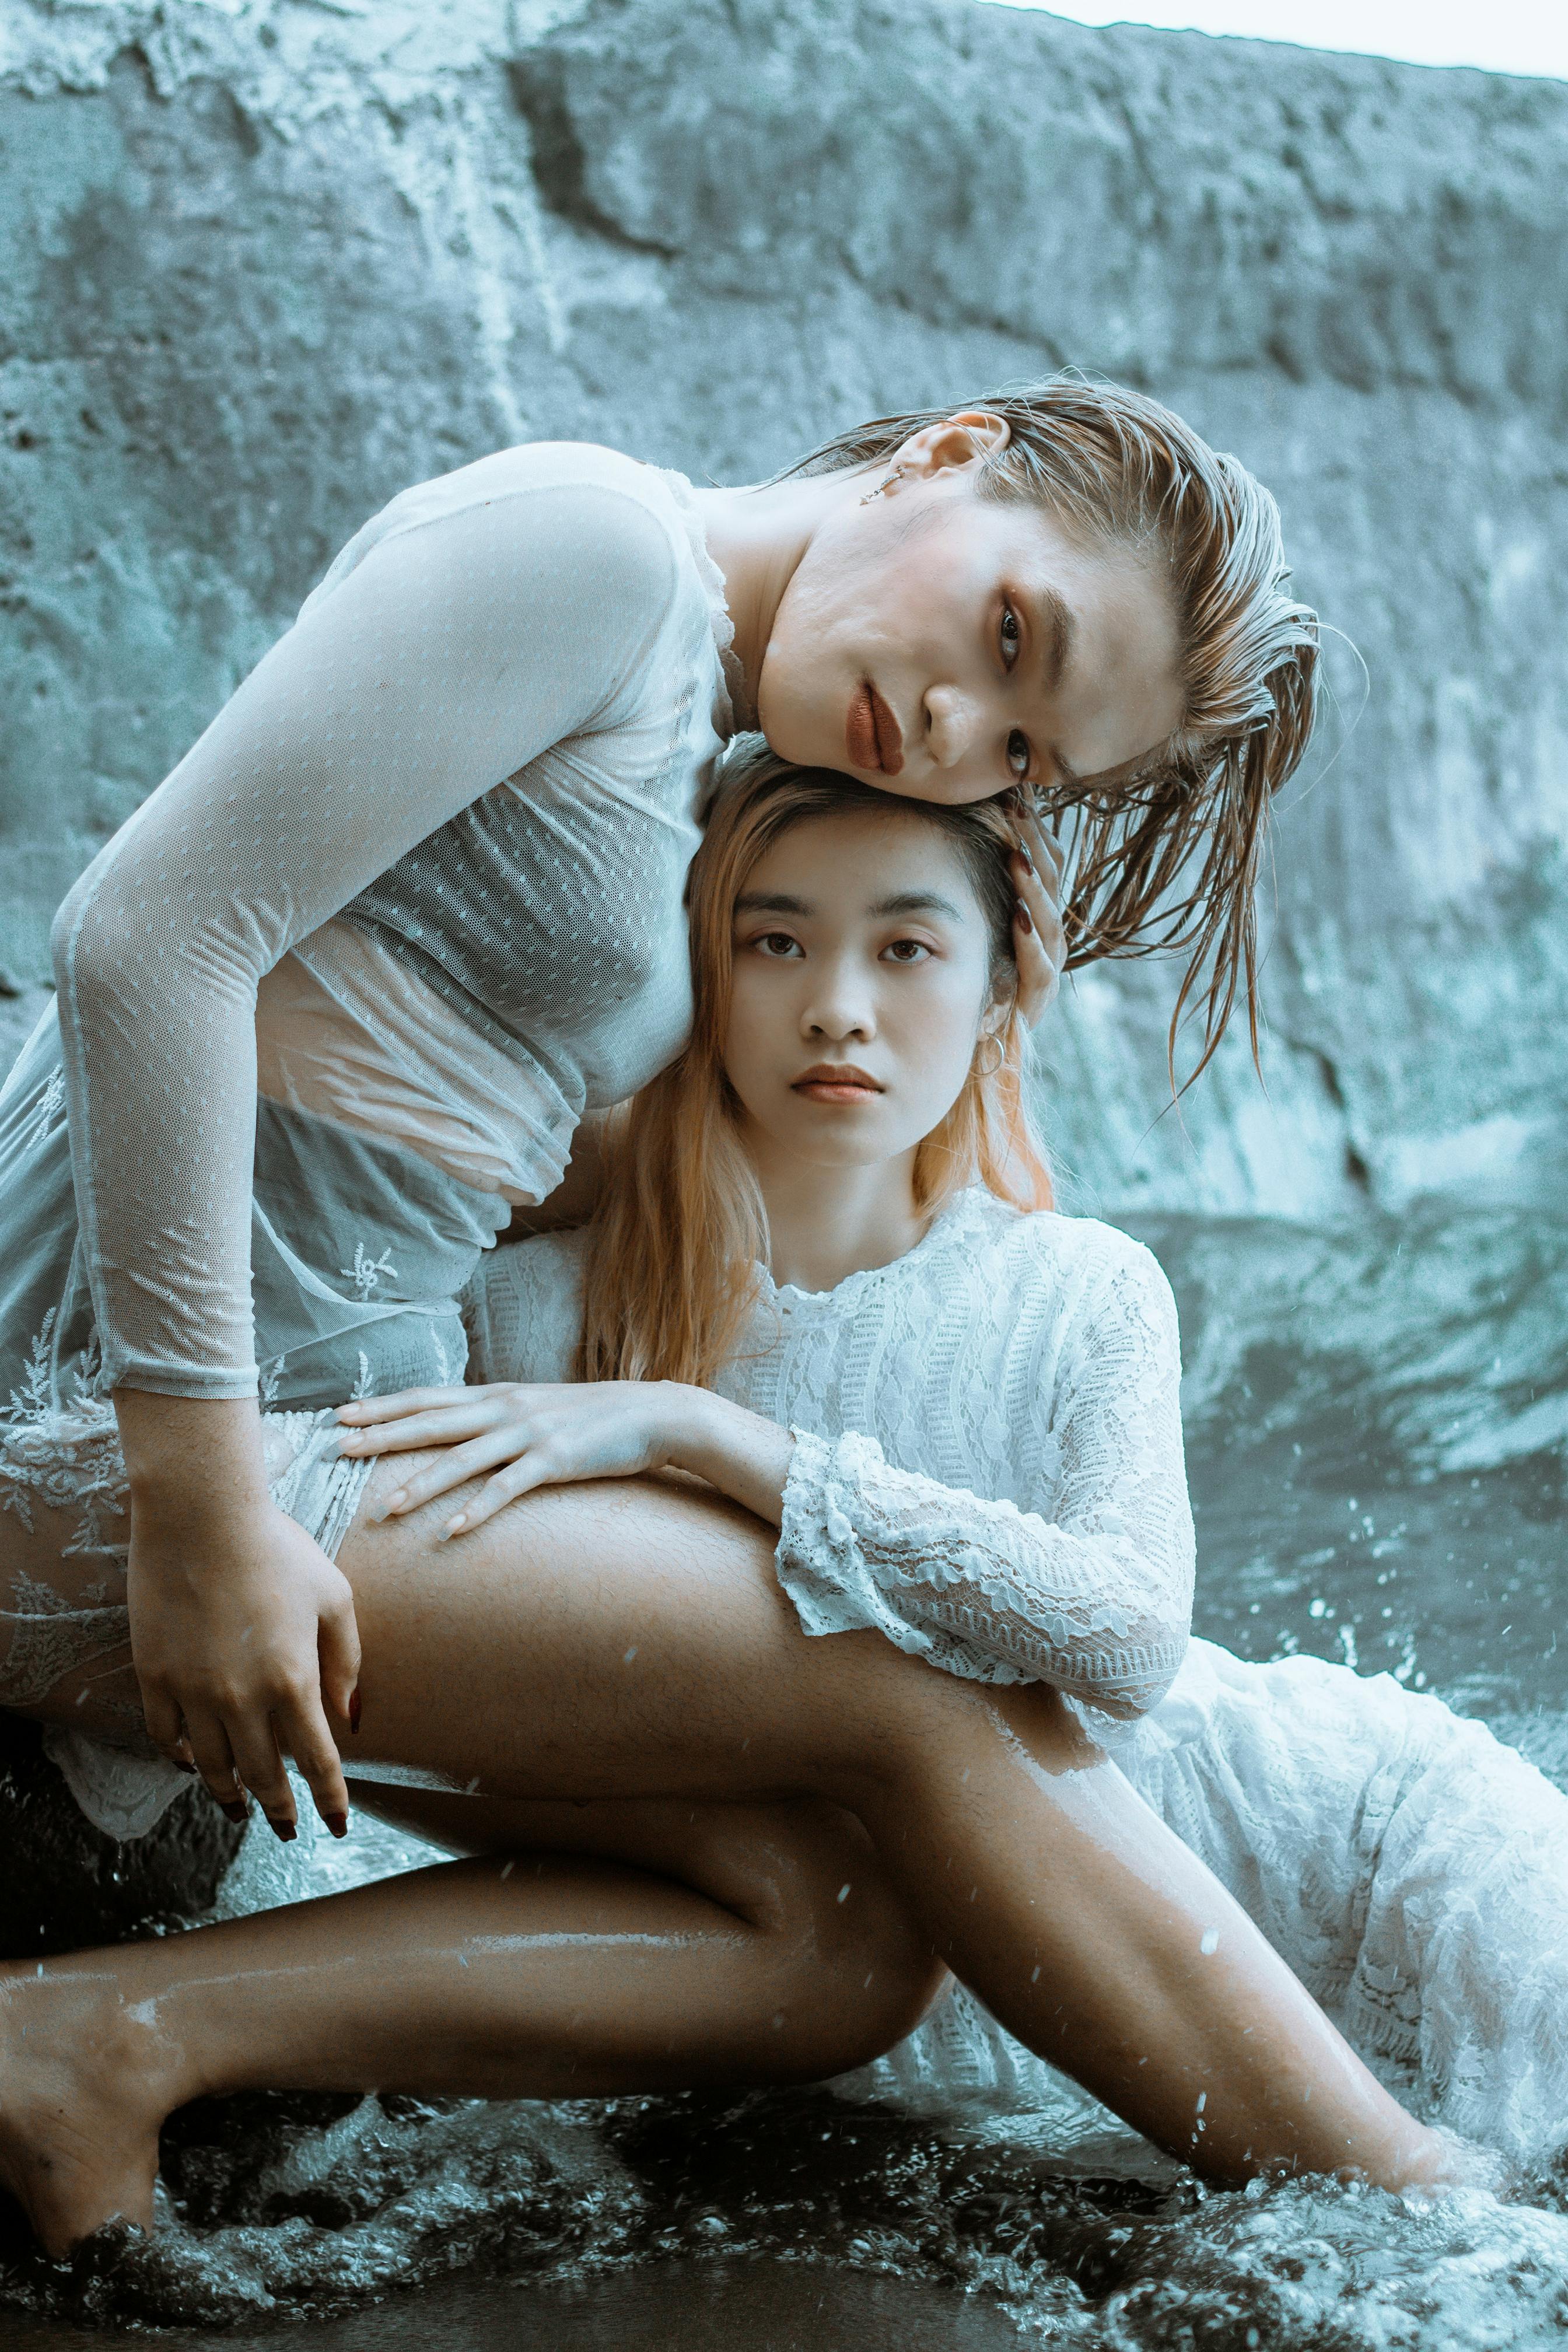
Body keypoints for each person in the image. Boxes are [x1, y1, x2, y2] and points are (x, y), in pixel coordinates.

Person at [0, 752, 1478, 2259]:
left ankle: (1429, 2213)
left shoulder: (1087, 1290)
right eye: (776, 942)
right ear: (702, 972)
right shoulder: (536, 1302)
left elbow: (1128, 1634)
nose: (839, 1003)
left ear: (1006, 980)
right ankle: (100, 2035)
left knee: (864, 1894)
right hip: (803, 1868)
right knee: (853, 1884)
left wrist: (711, 1439)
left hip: (1148, 1826)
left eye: (904, 947)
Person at [0, 377, 1312, 1860]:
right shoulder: (603, 549)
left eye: (1022, 756)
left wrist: (975, 1029)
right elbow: (150, 937)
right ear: (948, 457)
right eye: (1010, 635)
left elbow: (434, 1138)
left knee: (822, 1860)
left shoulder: (708, 756)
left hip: (339, 1452)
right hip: (155, 1448)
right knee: (909, 1720)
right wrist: (202, 1511)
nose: (955, 726)